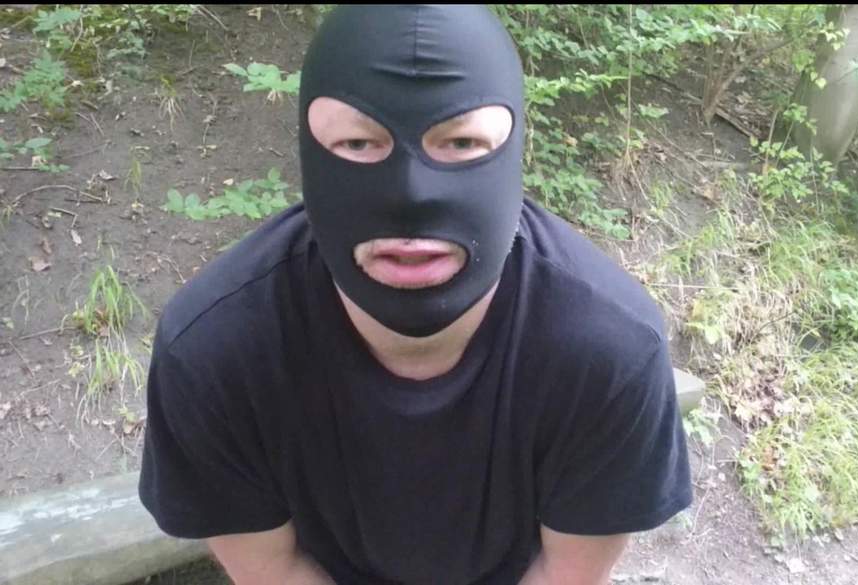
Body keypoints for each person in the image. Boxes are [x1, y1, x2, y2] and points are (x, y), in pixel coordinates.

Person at [139, 5, 692, 584]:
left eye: (462, 142)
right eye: (358, 143)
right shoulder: (214, 352)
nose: (410, 195)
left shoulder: (608, 350)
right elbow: (273, 572)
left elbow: (565, 574)